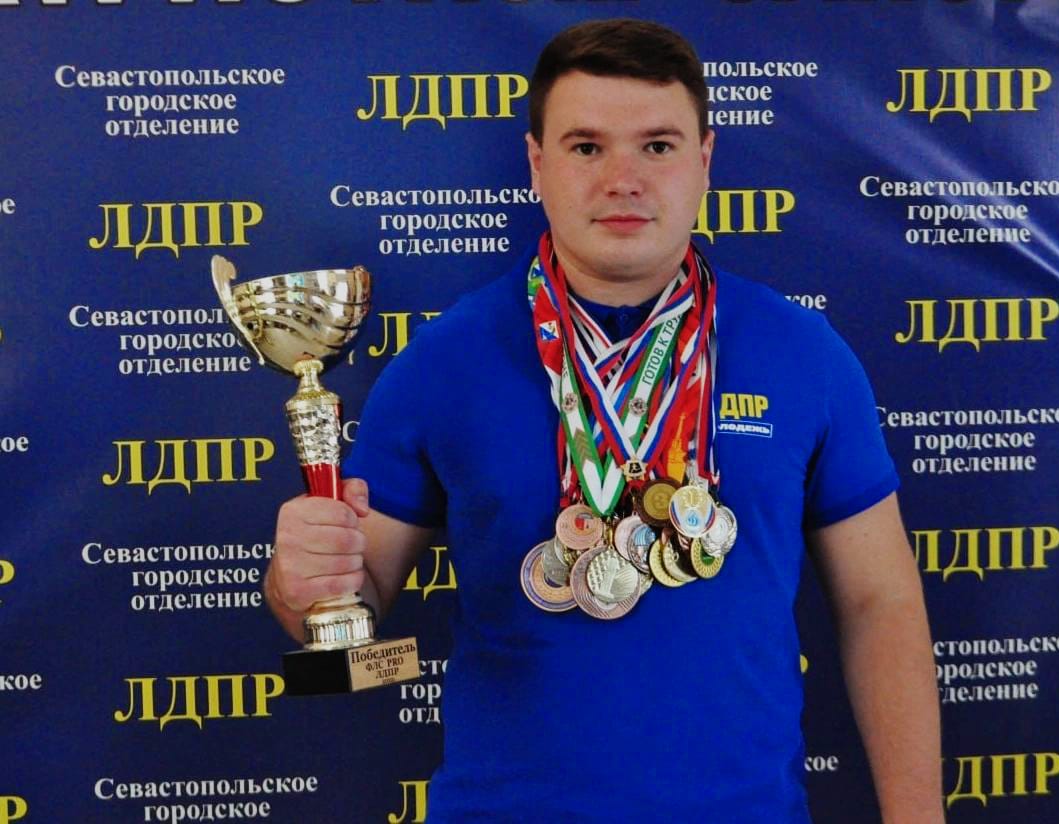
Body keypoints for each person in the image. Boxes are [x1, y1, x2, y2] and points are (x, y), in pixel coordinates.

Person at [266, 18, 943, 823]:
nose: (623, 179)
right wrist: (305, 581)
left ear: (704, 160)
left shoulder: (805, 354)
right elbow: (355, 600)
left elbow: (879, 604)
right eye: (586, 147)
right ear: (536, 164)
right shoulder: (440, 362)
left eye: (657, 146)